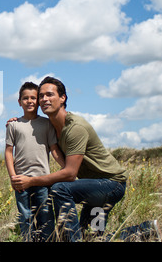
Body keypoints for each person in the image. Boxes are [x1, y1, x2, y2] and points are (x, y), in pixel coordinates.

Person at [9, 76, 161, 242]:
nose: (44, 99)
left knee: (60, 188)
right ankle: (145, 231)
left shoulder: (75, 128)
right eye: (41, 96)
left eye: (50, 94)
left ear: (62, 98)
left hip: (110, 186)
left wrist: (31, 181)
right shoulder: (51, 126)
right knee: (91, 237)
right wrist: (17, 121)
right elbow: (32, 125)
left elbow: (70, 174)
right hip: (92, 188)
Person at [5, 82, 64, 241]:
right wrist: (13, 177)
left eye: (33, 98)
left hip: (42, 180)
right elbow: (9, 152)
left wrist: (66, 168)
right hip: (21, 182)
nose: (29, 101)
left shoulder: (46, 124)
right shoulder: (13, 125)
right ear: (19, 102)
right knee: (25, 219)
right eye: (25, 98)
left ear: (38, 101)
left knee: (45, 219)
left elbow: (54, 149)